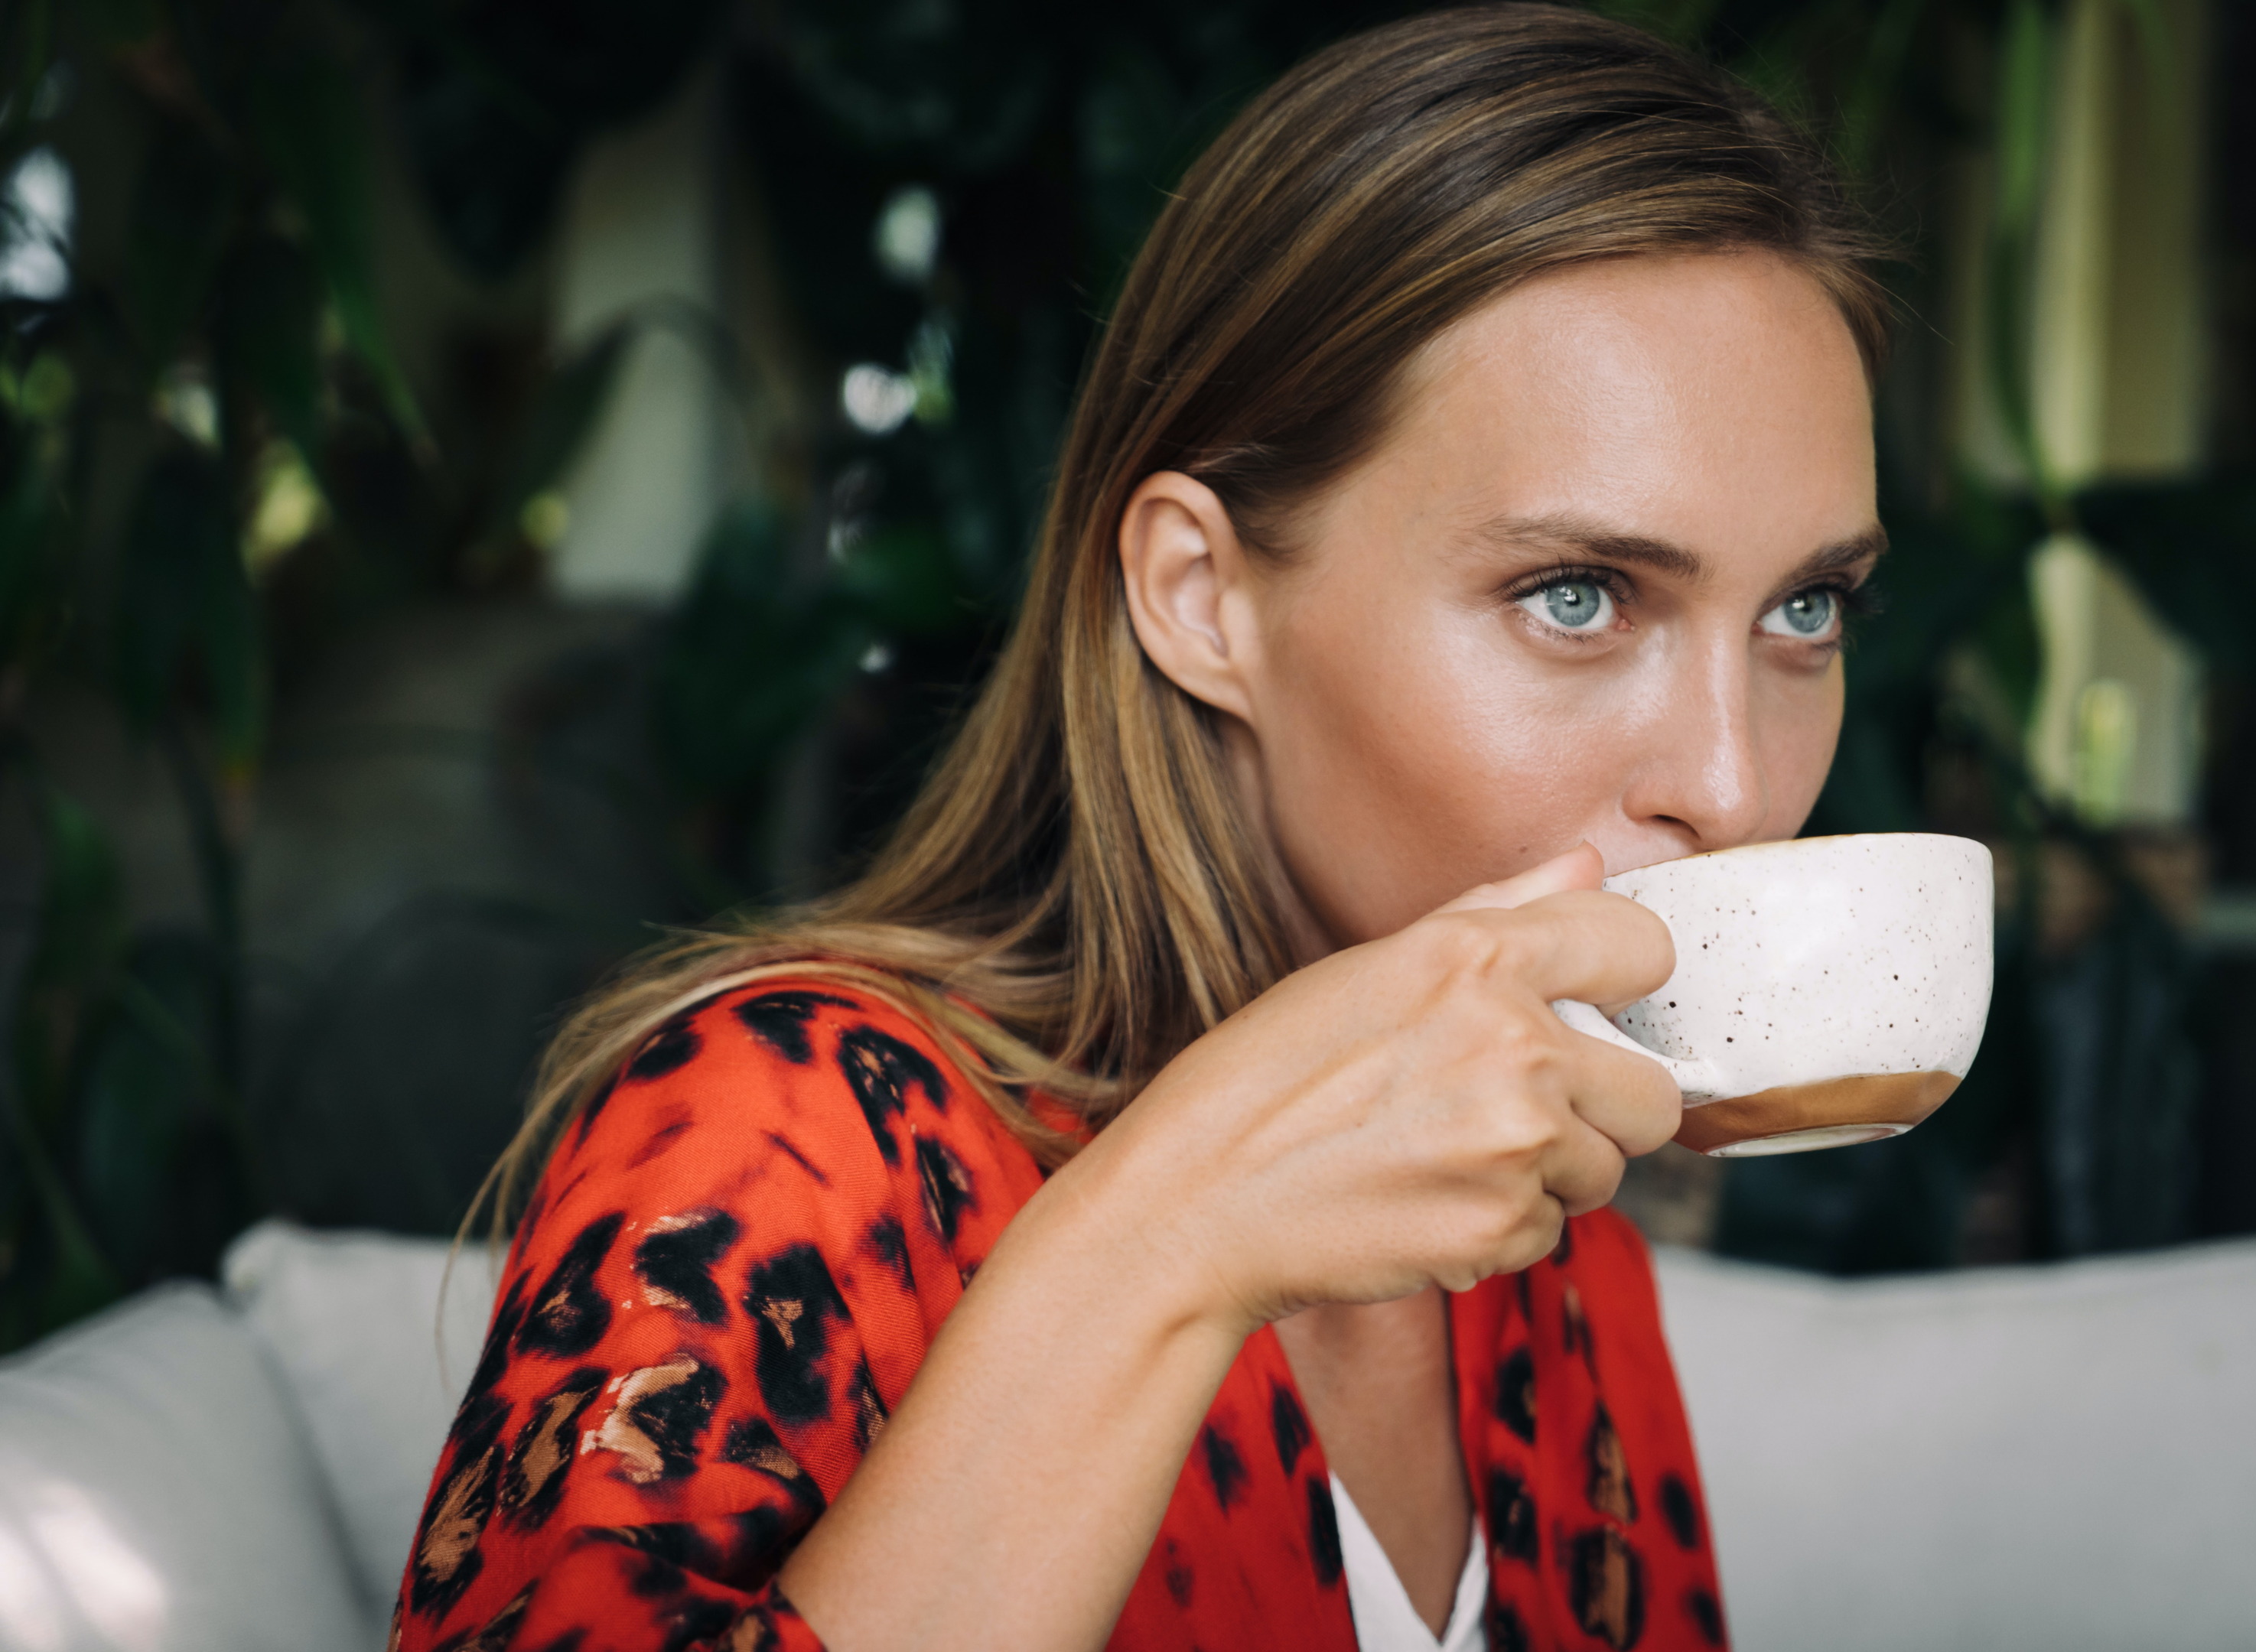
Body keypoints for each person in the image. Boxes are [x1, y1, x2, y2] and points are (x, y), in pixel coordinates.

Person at [392, 7, 1887, 1650]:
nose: (1738, 790)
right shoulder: (795, 1136)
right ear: (1203, 598)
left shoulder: (1539, 1221)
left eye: (1807, 609)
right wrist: (1165, 1243)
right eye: (1579, 595)